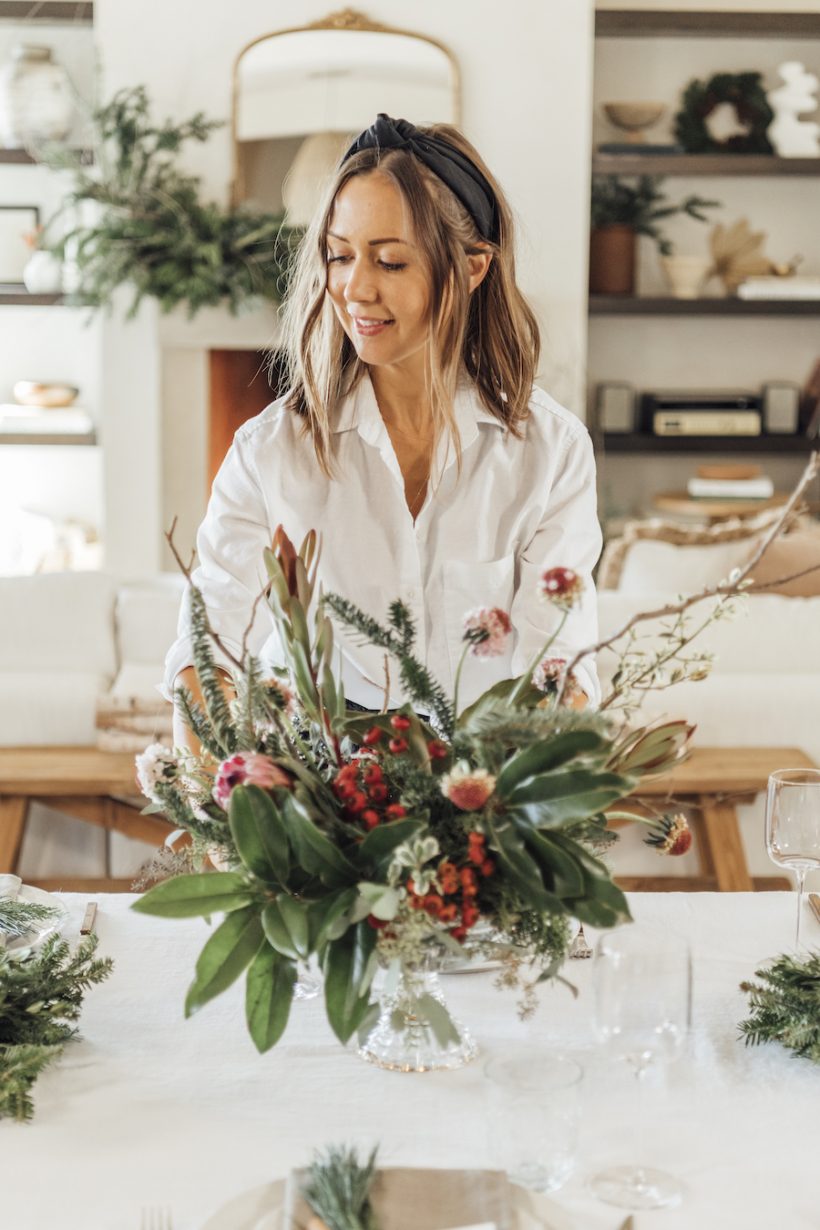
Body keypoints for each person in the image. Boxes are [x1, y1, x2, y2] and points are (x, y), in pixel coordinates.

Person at [163, 113, 602, 742]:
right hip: (311, 800)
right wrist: (224, 778)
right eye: (340, 257)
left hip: (481, 802)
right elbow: (208, 644)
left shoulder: (550, 453)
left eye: (390, 262)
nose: (354, 289)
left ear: (474, 266)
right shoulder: (269, 453)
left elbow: (561, 663)